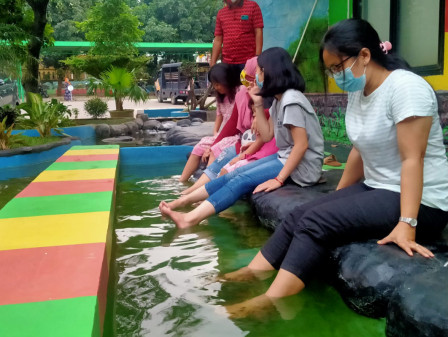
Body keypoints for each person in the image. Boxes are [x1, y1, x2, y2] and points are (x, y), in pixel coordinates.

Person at [222, 19, 448, 318]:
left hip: (422, 202)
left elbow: (412, 159)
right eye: (330, 70)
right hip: (381, 187)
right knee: (303, 214)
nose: (334, 76)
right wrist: (338, 199)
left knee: (317, 222)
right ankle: (252, 272)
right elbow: (358, 149)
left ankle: (269, 302)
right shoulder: (360, 90)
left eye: (337, 67)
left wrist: (407, 224)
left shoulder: (406, 88)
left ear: (365, 56)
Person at [160, 47, 324, 229]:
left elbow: (301, 145)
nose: (257, 76)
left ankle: (189, 219)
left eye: (260, 71)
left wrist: (278, 179)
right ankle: (184, 201)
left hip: (303, 167)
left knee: (240, 180)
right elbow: (268, 135)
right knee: (235, 173)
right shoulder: (279, 100)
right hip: (286, 157)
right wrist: (259, 104)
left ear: (270, 72)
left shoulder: (291, 100)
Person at [179, 63, 241, 182]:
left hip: (235, 136)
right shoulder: (221, 97)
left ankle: (205, 185)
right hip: (223, 135)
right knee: (199, 146)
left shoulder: (239, 93)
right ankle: (182, 180)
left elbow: (234, 125)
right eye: (214, 84)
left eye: (218, 84)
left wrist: (214, 144)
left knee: (215, 148)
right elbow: (219, 116)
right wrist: (216, 133)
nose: (216, 87)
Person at [210, 0, 264, 71]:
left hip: (249, 62)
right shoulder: (221, 13)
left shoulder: (253, 7)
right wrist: (213, 62)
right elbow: (218, 39)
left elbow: (258, 32)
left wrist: (257, 57)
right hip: (227, 63)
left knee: (249, 82)